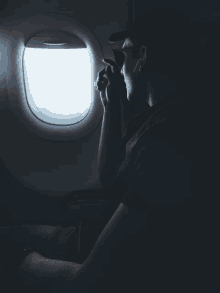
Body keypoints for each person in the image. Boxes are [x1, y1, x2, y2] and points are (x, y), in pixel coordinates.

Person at [1, 7, 215, 292]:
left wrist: (20, 262)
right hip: (92, 238)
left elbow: (88, 282)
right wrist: (111, 104)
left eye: (125, 53)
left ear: (143, 57)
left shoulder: (167, 141)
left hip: (95, 257)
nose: (120, 64)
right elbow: (111, 177)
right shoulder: (164, 118)